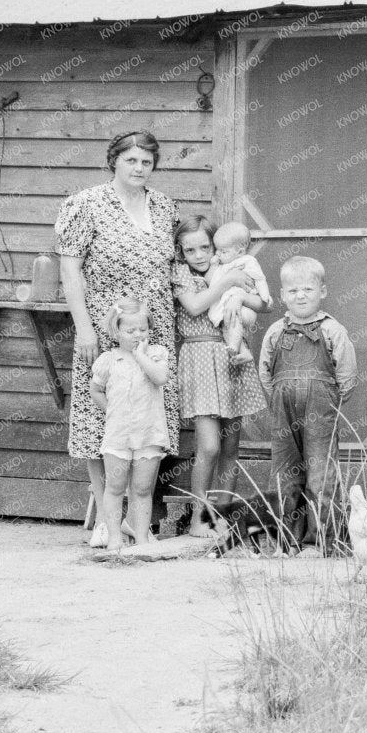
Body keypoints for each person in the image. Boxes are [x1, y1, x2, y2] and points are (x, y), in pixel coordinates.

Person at [55, 131, 183, 547]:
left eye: (146, 162)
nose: (138, 168)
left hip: (153, 326)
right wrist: (85, 328)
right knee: (102, 419)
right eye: (130, 160)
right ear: (114, 161)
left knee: (145, 417)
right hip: (106, 326)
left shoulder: (164, 206)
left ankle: (135, 520)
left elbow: (173, 265)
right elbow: (70, 271)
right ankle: (107, 521)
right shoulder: (85, 204)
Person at [171, 215, 270, 539]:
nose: (198, 255)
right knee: (209, 447)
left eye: (204, 248)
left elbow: (263, 304)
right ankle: (199, 517)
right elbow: (197, 306)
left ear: (215, 247)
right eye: (190, 250)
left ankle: (221, 517)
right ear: (181, 252)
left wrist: (241, 295)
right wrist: (229, 284)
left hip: (231, 357)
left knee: (230, 446)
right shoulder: (182, 274)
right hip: (199, 359)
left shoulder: (231, 267)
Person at [257, 256, 358, 555]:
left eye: (308, 289)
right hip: (283, 413)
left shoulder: (332, 330)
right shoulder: (275, 332)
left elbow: (347, 376)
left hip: (321, 413)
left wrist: (328, 404)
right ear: (282, 295)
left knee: (320, 474)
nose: (300, 296)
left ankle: (319, 542)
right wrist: (281, 398)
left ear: (322, 292)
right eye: (293, 291)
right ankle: (287, 542)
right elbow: (265, 374)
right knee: (285, 475)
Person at [89, 296, 170, 549]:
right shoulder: (108, 360)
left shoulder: (156, 354)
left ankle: (142, 537)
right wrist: (113, 412)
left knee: (143, 488)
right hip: (119, 434)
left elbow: (159, 378)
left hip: (149, 433)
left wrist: (140, 354)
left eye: (143, 330)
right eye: (130, 330)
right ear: (116, 331)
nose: (137, 334)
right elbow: (96, 390)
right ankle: (114, 537)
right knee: (114, 487)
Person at [208, 222, 273, 363]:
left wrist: (264, 295)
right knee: (227, 326)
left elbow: (259, 278)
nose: (218, 254)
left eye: (223, 251)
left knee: (232, 320)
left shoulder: (247, 261)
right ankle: (243, 352)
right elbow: (212, 282)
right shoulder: (223, 266)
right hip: (229, 308)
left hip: (245, 310)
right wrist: (214, 265)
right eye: (217, 250)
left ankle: (234, 345)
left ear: (240, 251)